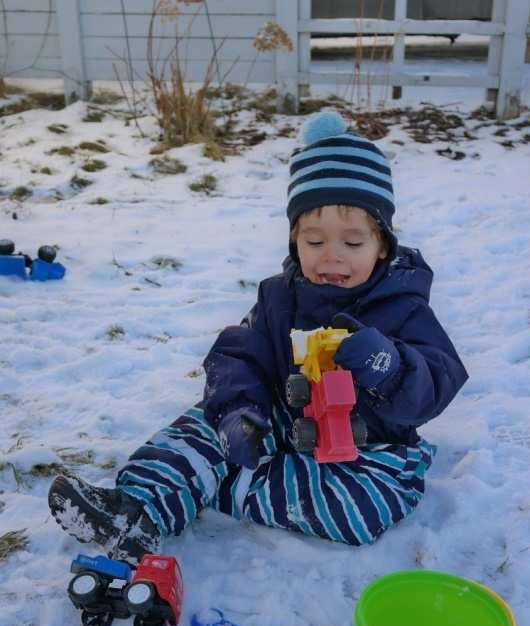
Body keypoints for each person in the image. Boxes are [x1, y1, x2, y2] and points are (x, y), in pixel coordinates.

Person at [48, 110, 468, 565]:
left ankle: (217, 486)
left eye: (352, 244)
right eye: (314, 242)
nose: (332, 258)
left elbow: (437, 380)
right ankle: (139, 506)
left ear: (382, 244)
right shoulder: (280, 296)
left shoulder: (402, 304)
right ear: (294, 241)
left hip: (366, 448)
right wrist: (238, 410)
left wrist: (387, 365)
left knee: (366, 507)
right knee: (202, 425)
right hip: (280, 422)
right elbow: (238, 355)